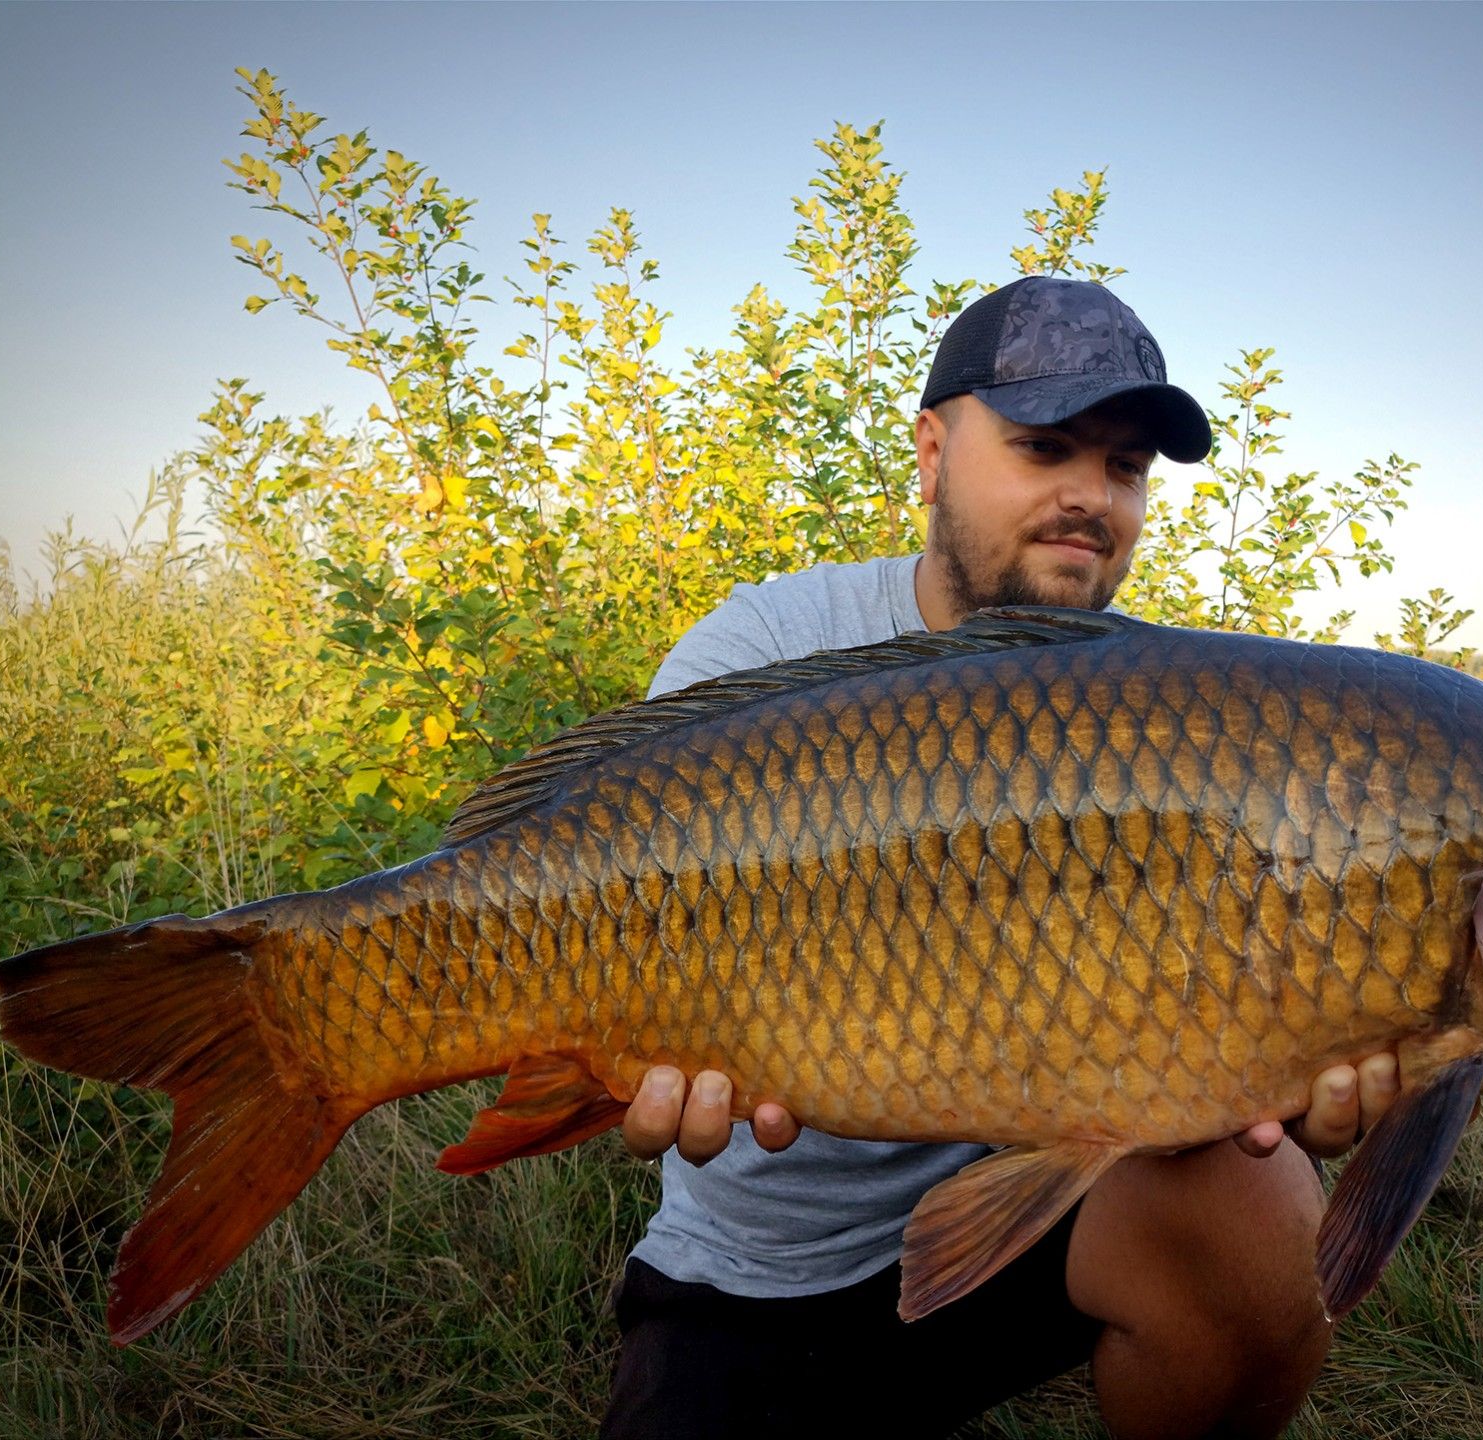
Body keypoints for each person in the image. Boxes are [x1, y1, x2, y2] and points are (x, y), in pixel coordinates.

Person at [599, 276, 1400, 1440]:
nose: (1091, 497)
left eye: (1125, 468)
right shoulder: (766, 649)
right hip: (767, 1273)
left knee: (1257, 1195)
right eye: (1044, 447)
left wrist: (1315, 1042)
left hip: (1050, 1213)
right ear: (932, 450)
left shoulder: (1172, 716)